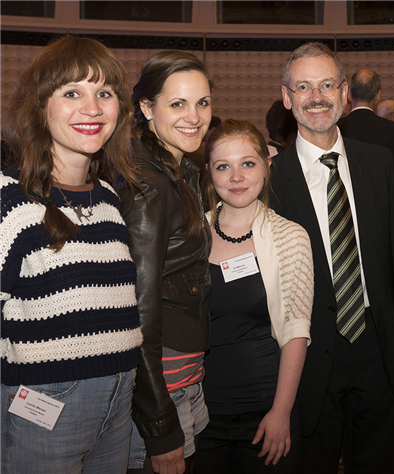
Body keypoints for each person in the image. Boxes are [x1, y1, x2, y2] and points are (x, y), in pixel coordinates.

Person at [270, 42, 394, 473]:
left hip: (379, 349)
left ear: (345, 94)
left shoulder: (379, 163)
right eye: (303, 87)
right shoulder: (270, 178)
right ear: (287, 97)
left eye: (326, 85)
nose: (316, 96)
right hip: (308, 351)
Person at [1, 35, 142, 473]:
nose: (94, 108)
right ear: (40, 107)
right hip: (45, 405)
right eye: (72, 93)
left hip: (122, 402)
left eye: (105, 93)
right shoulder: (9, 201)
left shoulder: (107, 197)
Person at [195, 119, 312, 473]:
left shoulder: (291, 237)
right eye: (223, 166)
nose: (236, 177)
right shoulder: (190, 234)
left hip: (266, 413)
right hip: (199, 414)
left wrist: (281, 412)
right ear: (209, 173)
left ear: (267, 165)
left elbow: (297, 331)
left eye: (247, 163)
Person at [119, 51, 215, 474]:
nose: (194, 116)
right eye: (177, 104)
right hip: (164, 385)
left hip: (184, 374)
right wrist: (160, 426)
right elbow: (137, 312)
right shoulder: (149, 186)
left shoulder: (180, 170)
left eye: (203, 102)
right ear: (146, 108)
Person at [338, 69, 394, 202]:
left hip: (343, 208)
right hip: (387, 210)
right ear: (378, 95)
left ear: (349, 94)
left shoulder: (336, 129)